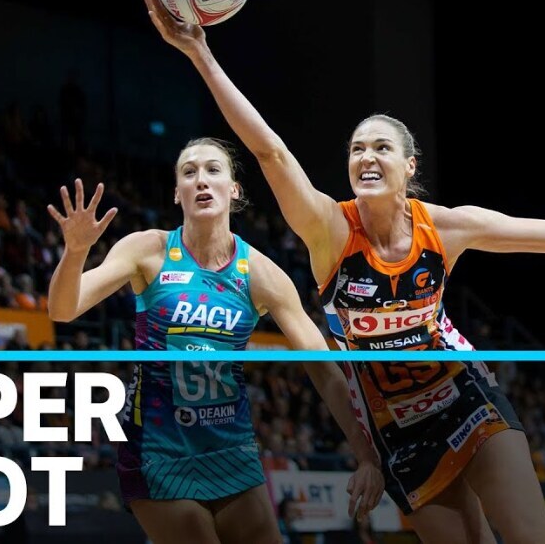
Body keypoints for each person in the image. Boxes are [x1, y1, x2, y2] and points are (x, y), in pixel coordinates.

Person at [141, 0, 545, 544]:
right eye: (357, 148)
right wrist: (201, 54)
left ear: (409, 166)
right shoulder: (330, 230)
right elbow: (270, 152)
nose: (367, 157)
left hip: (463, 395)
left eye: (382, 147)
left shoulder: (447, 227)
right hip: (395, 428)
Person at [46, 139, 384, 544]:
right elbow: (63, 309)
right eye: (189, 173)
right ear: (177, 193)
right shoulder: (148, 250)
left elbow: (324, 370)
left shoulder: (261, 273)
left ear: (234, 189)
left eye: (212, 170)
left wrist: (366, 456)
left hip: (231, 450)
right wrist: (76, 252)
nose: (201, 180)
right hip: (157, 450)